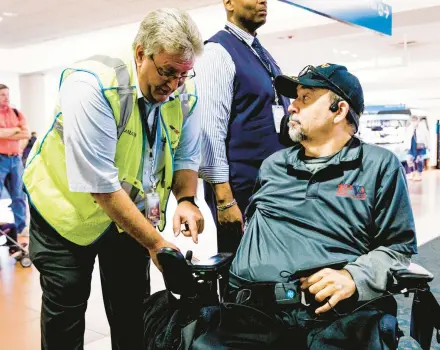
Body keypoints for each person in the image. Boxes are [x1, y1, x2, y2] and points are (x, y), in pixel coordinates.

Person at [192, 64, 418, 349]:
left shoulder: (378, 166)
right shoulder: (273, 166)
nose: (291, 107)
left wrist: (353, 276)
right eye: (294, 98)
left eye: (305, 98)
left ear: (339, 110)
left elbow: (398, 248)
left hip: (333, 317)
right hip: (249, 316)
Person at [23, 9, 204, 350]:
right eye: (167, 73)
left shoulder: (184, 88)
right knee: (66, 311)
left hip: (127, 215)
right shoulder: (92, 84)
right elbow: (101, 185)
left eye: (183, 75)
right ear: (140, 54)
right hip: (65, 213)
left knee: (133, 311)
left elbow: (186, 154)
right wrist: (155, 243)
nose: (174, 85)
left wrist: (186, 199)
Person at [196, 0, 290, 255]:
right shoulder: (217, 52)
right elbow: (209, 129)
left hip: (272, 190)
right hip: (241, 193)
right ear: (228, 3)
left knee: (273, 275)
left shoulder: (260, 53)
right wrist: (224, 199)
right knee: (243, 281)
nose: (263, 1)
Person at [0, 84, 29, 236]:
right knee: (1, 196)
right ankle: (3, 226)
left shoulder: (17, 113)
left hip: (15, 159)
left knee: (18, 194)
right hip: (0, 159)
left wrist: (7, 133)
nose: (6, 97)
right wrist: (15, 130)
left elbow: (26, 134)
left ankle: (20, 226)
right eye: (3, 95)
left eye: (7, 94)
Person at [405, 115, 429, 181]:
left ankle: (419, 174)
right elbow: (406, 137)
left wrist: (428, 145)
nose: (414, 122)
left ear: (418, 120)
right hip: (411, 146)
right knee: (409, 160)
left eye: (415, 120)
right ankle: (412, 173)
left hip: (420, 146)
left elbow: (427, 136)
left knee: (419, 160)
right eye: (412, 120)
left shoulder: (422, 127)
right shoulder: (409, 128)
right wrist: (405, 146)